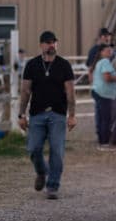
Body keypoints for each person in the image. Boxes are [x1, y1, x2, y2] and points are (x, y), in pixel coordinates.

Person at [18, 31, 76, 200]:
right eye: (48, 42)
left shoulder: (64, 65)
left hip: (58, 114)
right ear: (41, 45)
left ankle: (52, 186)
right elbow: (25, 91)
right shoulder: (32, 65)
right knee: (34, 148)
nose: (52, 45)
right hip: (37, 114)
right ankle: (42, 172)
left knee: (57, 151)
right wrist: (21, 115)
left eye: (54, 42)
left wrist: (72, 115)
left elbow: (70, 92)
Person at [90, 43, 116, 150]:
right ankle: (105, 142)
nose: (109, 52)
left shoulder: (98, 62)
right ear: (102, 52)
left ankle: (102, 140)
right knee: (106, 118)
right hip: (104, 94)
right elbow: (107, 78)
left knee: (101, 117)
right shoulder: (106, 62)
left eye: (110, 50)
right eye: (107, 50)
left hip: (98, 91)